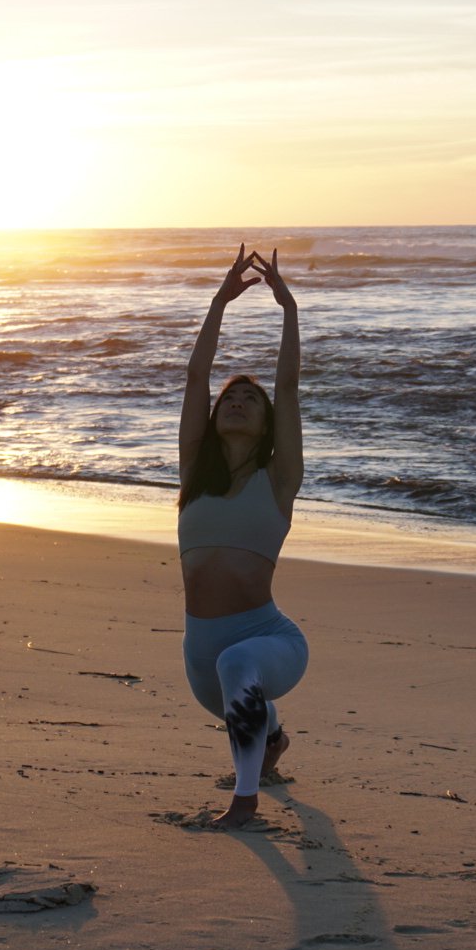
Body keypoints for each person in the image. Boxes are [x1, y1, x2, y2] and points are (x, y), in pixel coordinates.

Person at [177, 244, 307, 829]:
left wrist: (288, 309)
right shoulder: (193, 474)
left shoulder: (278, 480)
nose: (236, 402)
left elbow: (289, 384)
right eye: (230, 398)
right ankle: (271, 735)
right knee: (232, 681)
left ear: (267, 421)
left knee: (240, 664)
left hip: (270, 640)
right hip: (202, 659)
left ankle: (247, 802)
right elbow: (197, 373)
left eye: (250, 399)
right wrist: (218, 302)